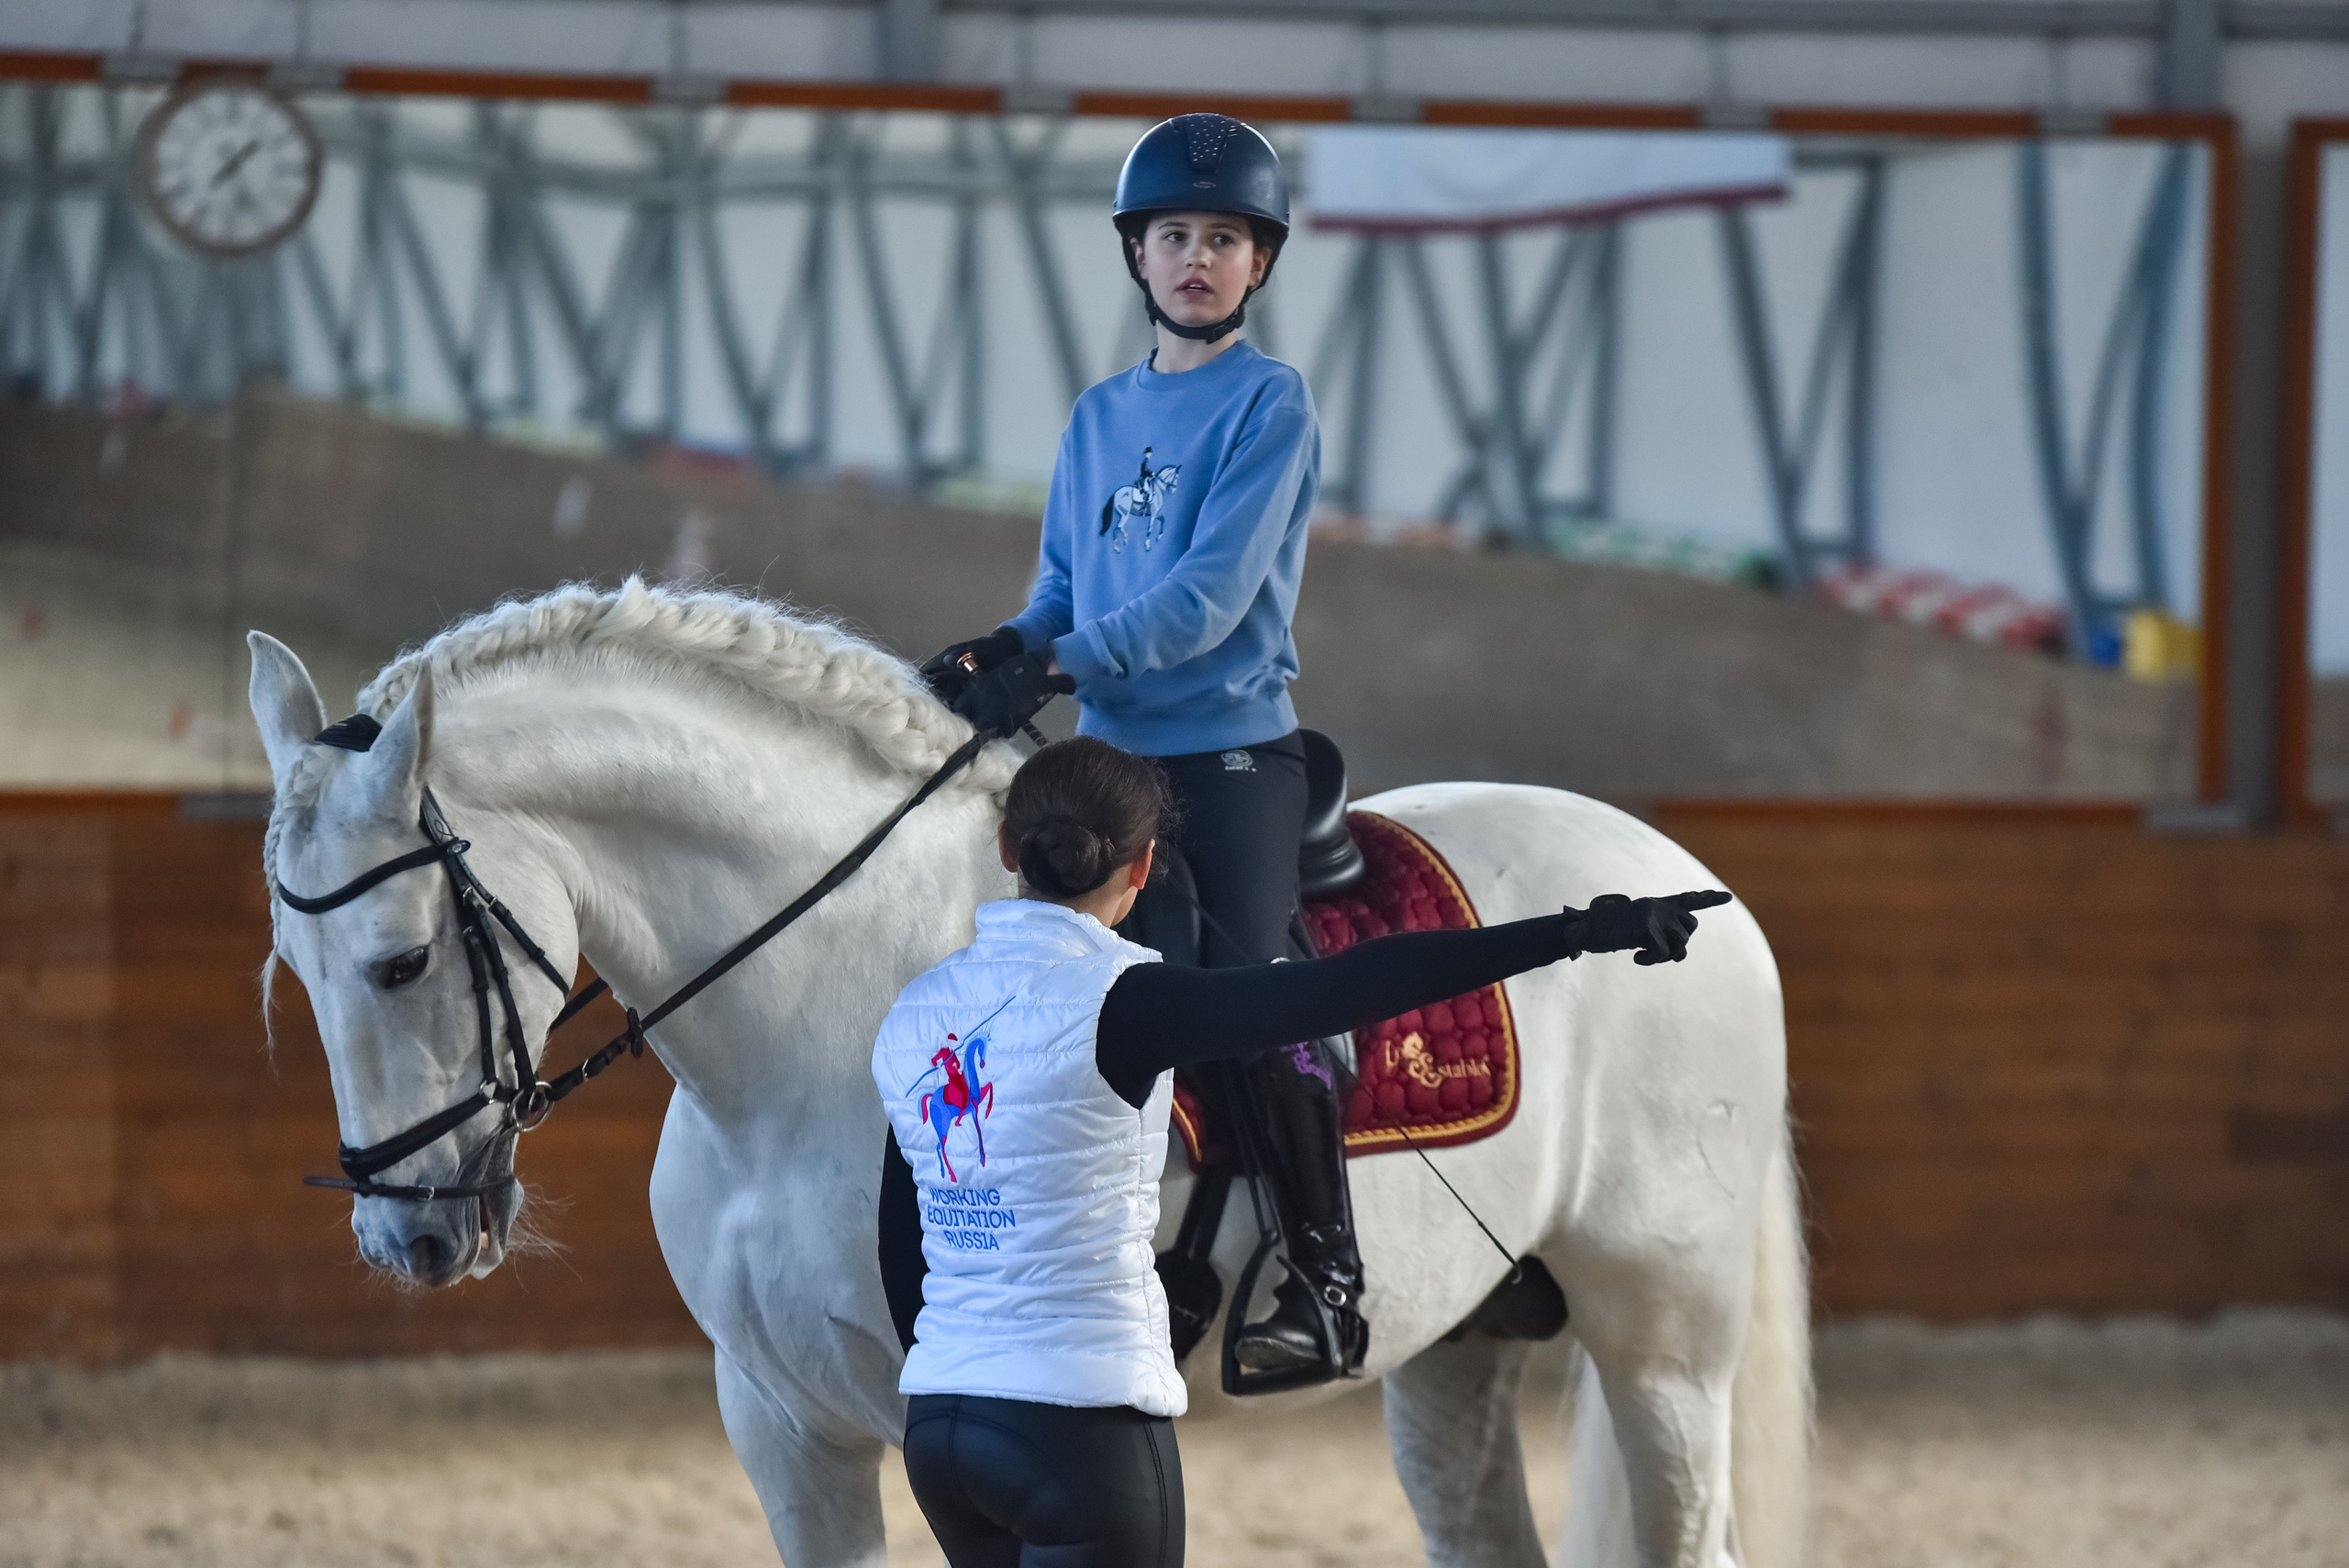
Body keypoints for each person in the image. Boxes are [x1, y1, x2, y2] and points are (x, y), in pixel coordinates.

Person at [874, 737, 1728, 1568]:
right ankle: (1322, 1266)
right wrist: (1575, 930)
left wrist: (961, 1375)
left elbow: (901, 1238)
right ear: (1143, 868)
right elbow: (1350, 985)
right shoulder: (1127, 1001)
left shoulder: (918, 1008)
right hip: (1077, 1424)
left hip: (945, 1434)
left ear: (1006, 847)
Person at [918, 109, 1354, 1375]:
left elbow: (1205, 601)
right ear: (1137, 254)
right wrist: (1002, 647)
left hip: (1231, 753)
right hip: (1112, 757)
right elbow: (1064, 586)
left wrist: (1056, 663)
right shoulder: (1098, 412)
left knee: (1251, 987)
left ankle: (1326, 1276)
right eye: (1175, 235)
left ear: (1258, 263)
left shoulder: (1270, 402)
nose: (1196, 258)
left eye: (1223, 238)